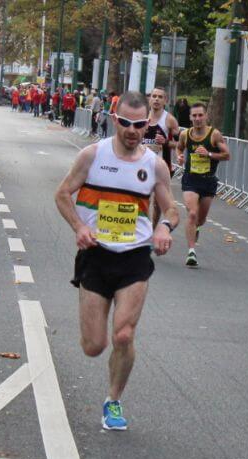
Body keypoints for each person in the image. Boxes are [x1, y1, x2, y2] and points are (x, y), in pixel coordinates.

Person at [55, 91, 179, 431]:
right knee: (94, 346)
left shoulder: (154, 165)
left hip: (134, 257)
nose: (132, 130)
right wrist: (79, 226)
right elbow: (63, 194)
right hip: (95, 255)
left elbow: (170, 209)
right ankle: (94, 333)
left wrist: (164, 228)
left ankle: (114, 400)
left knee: (124, 335)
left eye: (140, 125)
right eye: (126, 123)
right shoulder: (92, 156)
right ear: (115, 119)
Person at [177, 102, 231, 267]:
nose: (197, 118)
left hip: (208, 180)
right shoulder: (185, 134)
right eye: (194, 116)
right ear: (190, 117)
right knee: (192, 214)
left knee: (200, 219)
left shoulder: (214, 135)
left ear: (206, 116)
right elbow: (179, 149)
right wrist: (179, 157)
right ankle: (191, 252)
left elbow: (227, 155)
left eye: (200, 115)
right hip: (190, 179)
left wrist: (208, 153)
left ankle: (197, 228)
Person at [143, 87, 181, 229]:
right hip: (142, 165)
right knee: (142, 197)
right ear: (149, 99)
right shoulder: (142, 117)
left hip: (162, 167)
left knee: (157, 203)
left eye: (160, 97)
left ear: (165, 100)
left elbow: (181, 144)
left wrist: (165, 142)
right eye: (154, 96)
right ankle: (143, 228)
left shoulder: (170, 120)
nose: (157, 99)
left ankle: (151, 229)